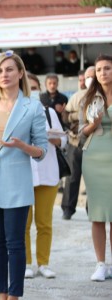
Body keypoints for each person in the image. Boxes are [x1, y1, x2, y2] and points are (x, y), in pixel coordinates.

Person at [0, 50, 47, 300]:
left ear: (20, 73)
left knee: (15, 244)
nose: (4, 74)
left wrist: (21, 146)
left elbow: (41, 150)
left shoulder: (33, 106)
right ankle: (1, 295)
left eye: (10, 69)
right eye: (0, 71)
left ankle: (14, 296)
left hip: (17, 184)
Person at [24, 74, 66, 279]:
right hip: (23, 176)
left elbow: (63, 140)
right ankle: (26, 263)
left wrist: (52, 137)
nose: (31, 91)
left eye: (34, 87)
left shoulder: (49, 112)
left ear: (39, 89)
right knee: (24, 223)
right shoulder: (16, 112)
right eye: (27, 87)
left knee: (44, 223)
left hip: (48, 174)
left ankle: (43, 263)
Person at [78, 54, 112, 282]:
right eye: (99, 69)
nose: (103, 73)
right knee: (98, 214)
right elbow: (81, 131)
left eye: (107, 68)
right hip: (94, 158)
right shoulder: (90, 97)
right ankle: (101, 264)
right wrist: (93, 124)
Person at [61, 66, 95, 220]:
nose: (90, 79)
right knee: (73, 177)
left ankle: (93, 210)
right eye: (87, 76)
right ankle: (68, 209)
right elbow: (66, 115)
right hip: (76, 143)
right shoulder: (78, 96)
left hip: (96, 145)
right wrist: (77, 116)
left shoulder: (105, 96)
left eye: (92, 76)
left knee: (94, 180)